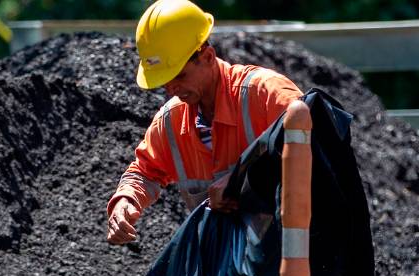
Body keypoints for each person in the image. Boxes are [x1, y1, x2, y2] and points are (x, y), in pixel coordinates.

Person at [105, 0, 304, 245]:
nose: (172, 89)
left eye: (179, 75)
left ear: (208, 56)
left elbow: (316, 156)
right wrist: (126, 200)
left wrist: (241, 182)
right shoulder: (171, 123)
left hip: (293, 259)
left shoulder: (267, 95)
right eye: (164, 81)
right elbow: (145, 172)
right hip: (228, 270)